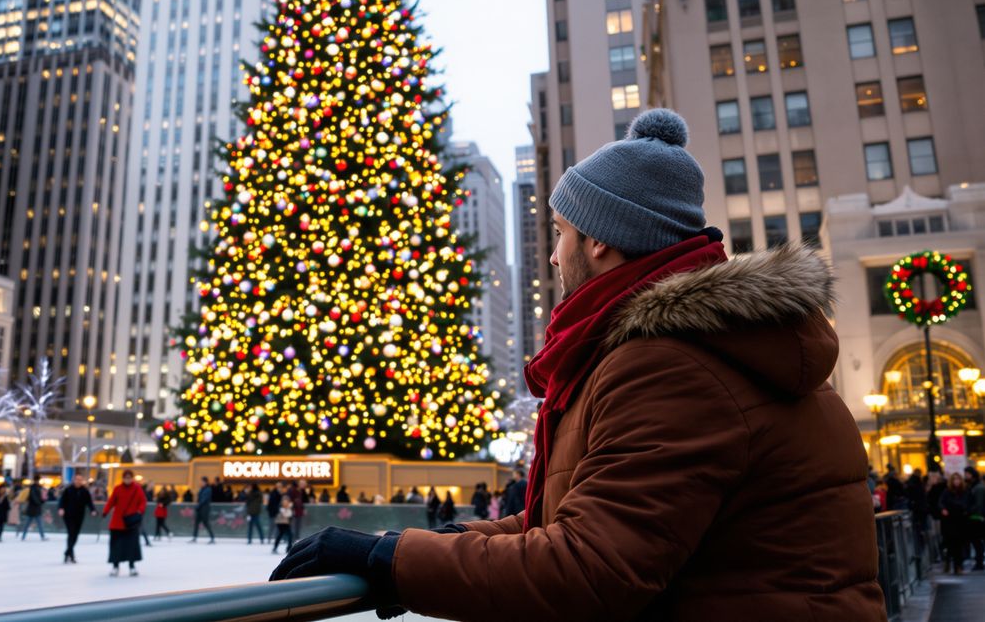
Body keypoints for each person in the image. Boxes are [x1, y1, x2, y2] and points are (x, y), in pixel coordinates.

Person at [270, 109, 887, 620]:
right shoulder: (685, 347)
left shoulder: (672, 366)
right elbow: (572, 520)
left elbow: (591, 569)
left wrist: (392, 562)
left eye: (560, 232)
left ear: (599, 239)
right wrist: (422, 546)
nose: (553, 255)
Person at [103, 469, 146, 577]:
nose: (127, 480)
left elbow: (142, 501)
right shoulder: (117, 488)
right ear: (123, 478)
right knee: (116, 546)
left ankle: (132, 566)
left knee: (132, 546)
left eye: (129, 477)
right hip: (117, 522)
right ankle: (115, 566)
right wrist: (105, 511)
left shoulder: (137, 488)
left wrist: (139, 511)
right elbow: (111, 501)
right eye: (126, 478)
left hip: (131, 522)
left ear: (132, 478)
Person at [58, 474, 97, 564]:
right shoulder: (68, 490)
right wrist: (61, 508)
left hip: (79, 515)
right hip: (69, 515)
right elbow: (62, 501)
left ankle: (68, 552)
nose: (78, 481)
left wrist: (93, 510)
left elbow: (89, 502)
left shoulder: (84, 491)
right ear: (74, 480)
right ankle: (70, 554)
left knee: (75, 535)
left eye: (80, 479)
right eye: (77, 479)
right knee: (71, 533)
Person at [940, 472, 971, 575]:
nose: (956, 481)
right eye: (954, 479)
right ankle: (953, 564)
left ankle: (958, 566)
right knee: (951, 544)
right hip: (950, 521)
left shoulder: (964, 491)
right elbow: (941, 503)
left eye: (958, 479)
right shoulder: (947, 492)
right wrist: (944, 509)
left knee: (959, 544)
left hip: (961, 520)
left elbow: (967, 503)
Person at [968, 467, 985, 571]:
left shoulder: (979, 488)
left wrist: (969, 511)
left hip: (977, 518)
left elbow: (979, 505)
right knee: (977, 541)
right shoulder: (976, 487)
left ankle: (979, 562)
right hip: (977, 518)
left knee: (977, 541)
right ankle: (979, 561)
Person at [20, 476, 47, 541]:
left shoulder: (38, 487)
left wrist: (42, 500)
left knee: (38, 524)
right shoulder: (33, 488)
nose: (37, 481)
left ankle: (42, 536)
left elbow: (39, 497)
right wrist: (40, 502)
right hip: (32, 508)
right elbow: (34, 497)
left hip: (35, 508)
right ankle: (23, 536)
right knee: (28, 524)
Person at [190, 476, 215, 544]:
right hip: (200, 508)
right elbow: (199, 498)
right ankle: (194, 537)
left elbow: (204, 499)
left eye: (202, 482)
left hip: (204, 509)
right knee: (196, 523)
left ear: (205, 482)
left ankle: (212, 538)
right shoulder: (202, 489)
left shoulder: (208, 489)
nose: (201, 483)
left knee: (206, 523)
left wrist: (198, 505)